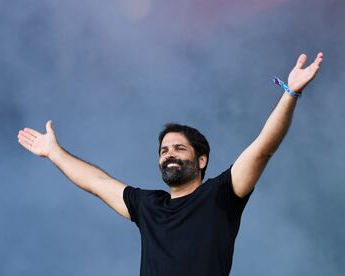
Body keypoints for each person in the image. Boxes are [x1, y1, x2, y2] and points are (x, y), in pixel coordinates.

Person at [17, 52, 323, 276]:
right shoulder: (149, 205)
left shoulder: (222, 195)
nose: (169, 154)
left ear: (201, 160)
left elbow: (261, 150)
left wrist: (291, 93)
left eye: (178, 148)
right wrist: (54, 152)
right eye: (164, 150)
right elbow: (97, 182)